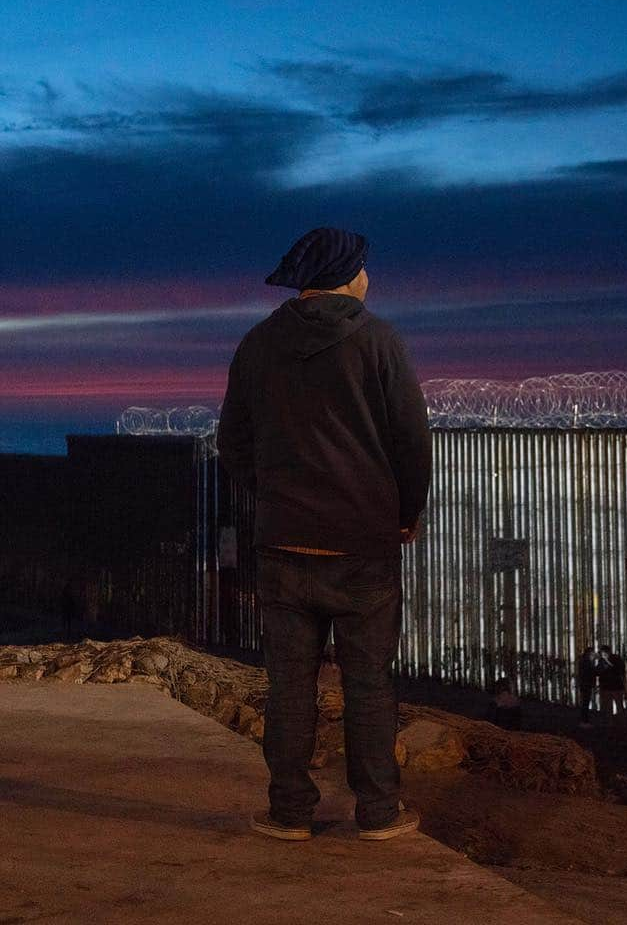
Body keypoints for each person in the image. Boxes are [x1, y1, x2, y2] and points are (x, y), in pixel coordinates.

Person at [217, 226, 432, 843]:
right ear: (347, 274)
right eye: (364, 268)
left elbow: (232, 442)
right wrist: (403, 514)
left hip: (284, 545)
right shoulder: (380, 341)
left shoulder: (257, 344)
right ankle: (379, 812)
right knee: (369, 683)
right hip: (363, 546)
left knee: (289, 684)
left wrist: (277, 496)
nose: (370, 278)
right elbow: (411, 443)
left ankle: (289, 812)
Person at [595, 644, 627, 727]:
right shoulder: (603, 660)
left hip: (613, 686)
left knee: (617, 705)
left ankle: (620, 723)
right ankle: (614, 723)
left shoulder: (615, 659)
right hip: (611, 686)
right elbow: (598, 672)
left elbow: (619, 670)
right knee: (611, 706)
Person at [575, 646, 597, 727]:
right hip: (586, 685)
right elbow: (590, 673)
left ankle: (584, 720)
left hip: (584, 684)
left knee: (585, 703)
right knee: (585, 703)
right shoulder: (587, 662)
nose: (594, 654)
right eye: (593, 652)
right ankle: (584, 721)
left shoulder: (584, 661)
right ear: (589, 653)